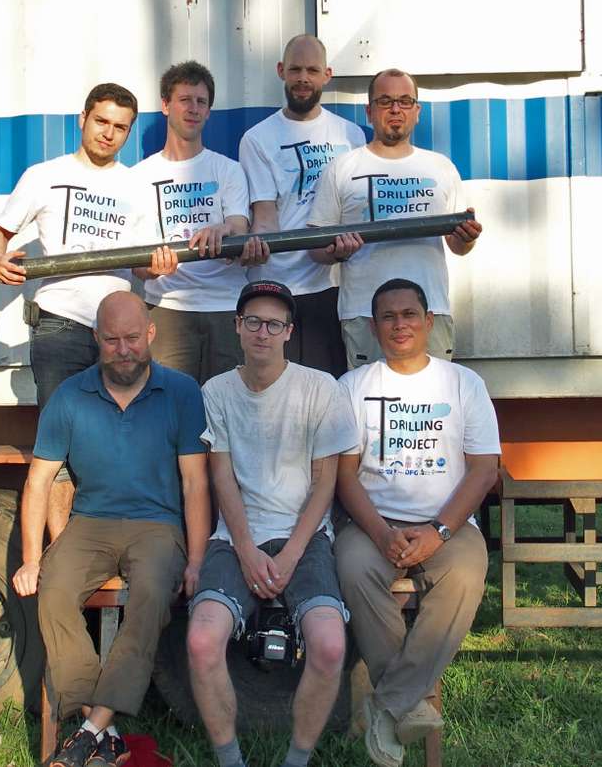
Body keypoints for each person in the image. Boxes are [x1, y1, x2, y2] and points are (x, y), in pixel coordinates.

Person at [12, 291, 210, 767]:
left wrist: (198, 558)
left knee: (149, 599)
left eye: (133, 339)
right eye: (112, 340)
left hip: (157, 526)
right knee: (53, 591)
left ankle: (88, 730)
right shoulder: (71, 395)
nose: (124, 350)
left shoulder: (181, 391)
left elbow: (195, 483)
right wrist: (31, 559)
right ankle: (102, 729)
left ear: (151, 334)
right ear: (96, 339)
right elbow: (39, 480)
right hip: (90, 523)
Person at [0, 82, 176, 538]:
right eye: (102, 122)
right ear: (82, 119)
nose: (109, 134)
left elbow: (141, 268)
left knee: (120, 443)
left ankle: (105, 549)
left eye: (121, 128)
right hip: (58, 328)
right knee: (58, 448)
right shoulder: (43, 175)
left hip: (118, 335)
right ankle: (62, 551)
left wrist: (157, 268)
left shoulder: (136, 186)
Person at [186, 280, 359, 767]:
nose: (263, 332)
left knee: (328, 644)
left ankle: (296, 758)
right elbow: (221, 476)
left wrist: (289, 554)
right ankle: (230, 758)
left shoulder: (320, 387)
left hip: (303, 539)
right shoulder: (216, 391)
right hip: (235, 537)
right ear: (237, 327)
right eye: (253, 322)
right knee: (201, 639)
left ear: (289, 331)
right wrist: (243, 547)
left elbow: (325, 481)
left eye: (274, 324)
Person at [336, 278, 500, 767]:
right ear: (372, 327)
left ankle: (388, 707)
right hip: (374, 524)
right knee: (353, 568)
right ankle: (415, 702)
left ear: (430, 322)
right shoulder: (353, 387)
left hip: (447, 524)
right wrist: (382, 533)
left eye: (410, 314)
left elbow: (485, 467)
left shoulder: (462, 383)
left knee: (468, 571)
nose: (399, 324)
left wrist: (440, 531)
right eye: (388, 316)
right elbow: (344, 477)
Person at [308, 68, 483, 369]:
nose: (395, 109)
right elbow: (315, 248)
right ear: (369, 111)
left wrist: (467, 237)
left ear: (417, 111)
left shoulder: (440, 167)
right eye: (385, 101)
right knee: (368, 407)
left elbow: (458, 246)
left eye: (404, 101)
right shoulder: (342, 168)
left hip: (429, 310)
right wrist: (336, 252)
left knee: (431, 406)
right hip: (364, 313)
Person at [239, 34, 365, 377]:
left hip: (329, 288)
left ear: (327, 74)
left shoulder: (351, 136)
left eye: (312, 70)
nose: (303, 78)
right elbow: (264, 214)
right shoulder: (257, 138)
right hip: (274, 287)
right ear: (281, 71)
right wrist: (259, 248)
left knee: (326, 390)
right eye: (295, 69)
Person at [132, 60, 256, 384]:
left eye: (202, 102)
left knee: (225, 409)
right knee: (169, 408)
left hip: (227, 306)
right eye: (185, 99)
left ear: (209, 111)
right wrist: (152, 267)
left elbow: (240, 226)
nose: (193, 108)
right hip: (167, 306)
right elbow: (136, 265)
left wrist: (225, 229)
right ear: (165, 105)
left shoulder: (228, 169)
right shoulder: (140, 177)